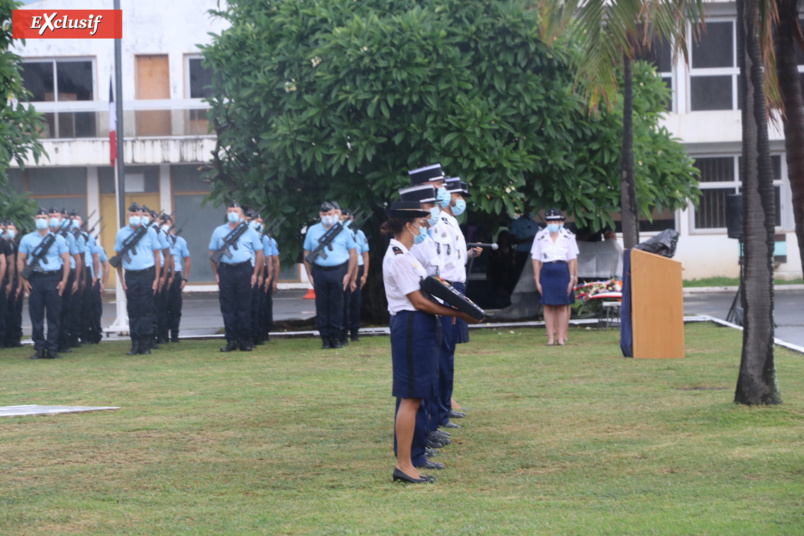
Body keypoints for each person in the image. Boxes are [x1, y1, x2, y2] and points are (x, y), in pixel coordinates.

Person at [382, 201, 479, 484]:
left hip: (418, 326)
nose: (424, 227)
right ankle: (404, 464)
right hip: (411, 325)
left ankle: (411, 459)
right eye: (421, 223)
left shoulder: (406, 254)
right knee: (410, 398)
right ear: (408, 224)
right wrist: (458, 312)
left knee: (417, 395)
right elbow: (418, 301)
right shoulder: (399, 256)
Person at [209, 201, 264, 352]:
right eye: (230, 211)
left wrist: (255, 273)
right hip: (226, 270)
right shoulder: (219, 231)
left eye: (236, 211)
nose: (233, 214)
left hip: (244, 270)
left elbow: (259, 253)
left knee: (244, 307)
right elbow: (212, 254)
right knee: (228, 307)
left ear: (242, 215)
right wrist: (216, 274)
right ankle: (231, 340)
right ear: (227, 214)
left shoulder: (249, 231)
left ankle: (245, 340)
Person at [303, 201, 357, 349]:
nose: (327, 217)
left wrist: (349, 274)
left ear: (335, 214)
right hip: (319, 271)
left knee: (337, 306)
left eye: (330, 214)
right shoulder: (313, 230)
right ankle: (325, 339)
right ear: (320, 215)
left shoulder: (344, 230)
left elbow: (353, 254)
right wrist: (309, 274)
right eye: (324, 214)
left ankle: (337, 337)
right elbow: (307, 253)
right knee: (322, 306)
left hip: (339, 271)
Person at [17, 208, 71, 359]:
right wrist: (24, 280)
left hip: (53, 279)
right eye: (38, 217)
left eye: (44, 217)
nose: (41, 220)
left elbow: (66, 260)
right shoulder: (27, 239)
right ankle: (39, 348)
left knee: (54, 316)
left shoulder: (58, 239)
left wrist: (64, 280)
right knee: (36, 316)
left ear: (49, 220)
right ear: (35, 220)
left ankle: (52, 348)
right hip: (35, 279)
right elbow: (20, 259)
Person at [114, 202, 162, 355]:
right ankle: (135, 344)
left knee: (146, 309)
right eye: (131, 215)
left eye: (137, 215)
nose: (134, 217)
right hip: (131, 275)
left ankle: (146, 344)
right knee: (133, 310)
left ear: (142, 216)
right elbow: (118, 258)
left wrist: (156, 278)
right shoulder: (122, 233)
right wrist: (121, 280)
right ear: (128, 216)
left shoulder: (150, 232)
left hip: (147, 273)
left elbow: (157, 256)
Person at [531, 208, 578, 346]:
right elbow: (536, 259)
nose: (553, 223)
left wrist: (571, 278)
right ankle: (550, 337)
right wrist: (537, 280)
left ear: (560, 222)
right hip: (547, 270)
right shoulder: (540, 236)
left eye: (555, 221)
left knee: (562, 306)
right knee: (548, 306)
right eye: (550, 221)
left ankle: (561, 337)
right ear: (546, 222)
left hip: (562, 270)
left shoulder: (567, 236)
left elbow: (571, 259)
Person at [166, 215, 191, 343]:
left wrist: (185, 279)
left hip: (175, 276)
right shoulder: (157, 240)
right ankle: (162, 335)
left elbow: (187, 260)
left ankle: (175, 335)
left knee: (175, 307)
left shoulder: (180, 241)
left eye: (167, 223)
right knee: (161, 307)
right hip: (162, 276)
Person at [4, 221, 23, 348]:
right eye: (7, 229)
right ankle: (7, 337)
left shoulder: (18, 245)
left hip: (16, 279)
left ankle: (15, 337)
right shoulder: (4, 244)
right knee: (7, 310)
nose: (10, 231)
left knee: (16, 310)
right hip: (5, 279)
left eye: (12, 229)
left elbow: (20, 264)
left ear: (16, 232)